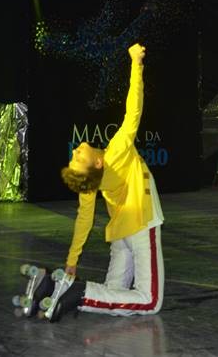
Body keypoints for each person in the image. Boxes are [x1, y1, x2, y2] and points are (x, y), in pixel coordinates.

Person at [52, 43, 164, 321]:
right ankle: (80, 293)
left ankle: (65, 290)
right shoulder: (116, 151)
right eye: (78, 157)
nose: (76, 152)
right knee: (150, 301)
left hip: (119, 235)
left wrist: (71, 261)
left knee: (113, 291)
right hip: (140, 225)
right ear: (97, 163)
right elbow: (133, 110)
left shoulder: (91, 184)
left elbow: (84, 220)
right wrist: (136, 64)